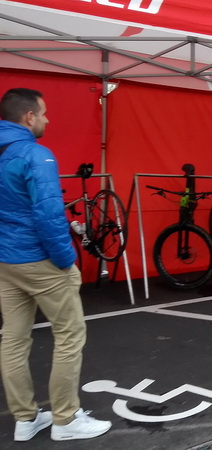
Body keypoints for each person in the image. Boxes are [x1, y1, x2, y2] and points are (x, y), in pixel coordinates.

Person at [0, 88, 112, 441]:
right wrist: (66, 261)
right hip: (38, 259)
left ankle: (25, 419)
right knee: (70, 335)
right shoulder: (36, 155)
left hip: (6, 260)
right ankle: (65, 419)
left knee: (13, 340)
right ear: (29, 116)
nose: (47, 119)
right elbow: (49, 214)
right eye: (44, 113)